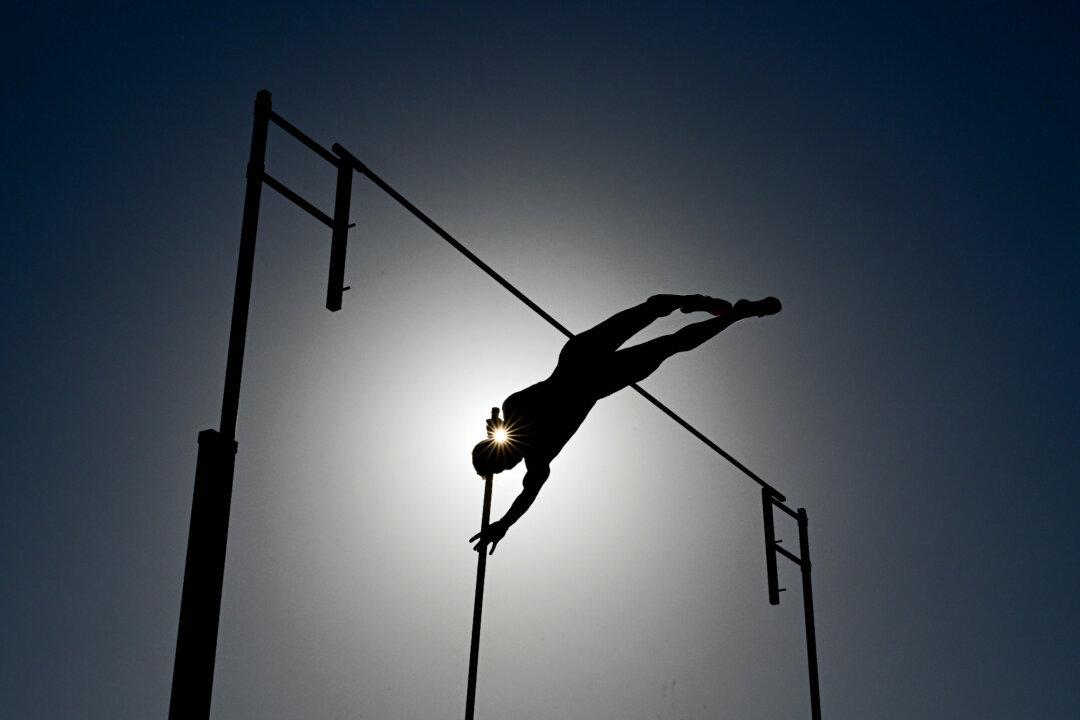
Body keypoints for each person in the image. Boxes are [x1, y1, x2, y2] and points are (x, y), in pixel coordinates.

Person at [468, 293, 781, 554]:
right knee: (673, 344)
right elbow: (526, 495)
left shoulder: (523, 427)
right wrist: (504, 524)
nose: (508, 468)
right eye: (503, 469)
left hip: (581, 357)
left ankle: (694, 301)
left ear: (501, 453)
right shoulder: (534, 453)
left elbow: (516, 451)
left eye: (502, 465)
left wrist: (503, 521)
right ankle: (737, 314)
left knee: (651, 311)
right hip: (602, 379)